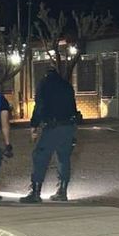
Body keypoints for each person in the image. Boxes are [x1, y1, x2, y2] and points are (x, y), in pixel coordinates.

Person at [20, 67, 78, 203]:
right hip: (69, 126)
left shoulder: (44, 84)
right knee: (64, 158)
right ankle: (62, 191)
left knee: (40, 156)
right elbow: (73, 107)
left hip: (53, 126)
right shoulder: (67, 85)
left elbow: (39, 106)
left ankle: (35, 192)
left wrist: (34, 125)